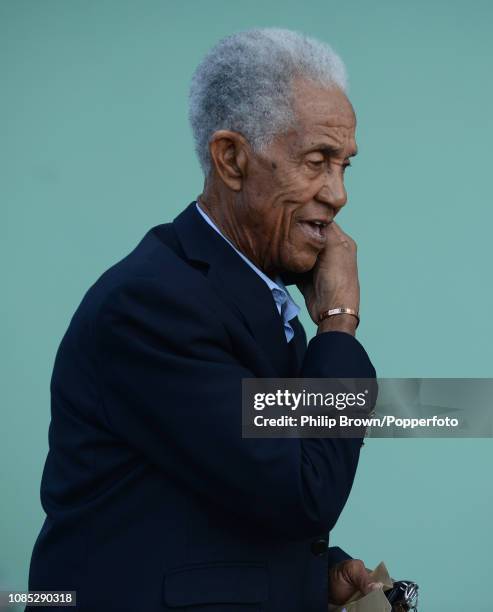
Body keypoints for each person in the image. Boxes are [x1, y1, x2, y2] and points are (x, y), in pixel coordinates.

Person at [27, 27, 380, 611]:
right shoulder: (151, 306)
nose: (337, 194)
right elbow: (301, 489)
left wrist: (314, 572)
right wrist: (339, 322)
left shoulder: (236, 291)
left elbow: (216, 485)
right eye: (317, 162)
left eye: (344, 165)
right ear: (231, 159)